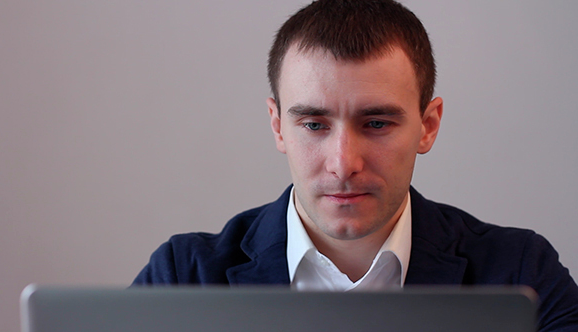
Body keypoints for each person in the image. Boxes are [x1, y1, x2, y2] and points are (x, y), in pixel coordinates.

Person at [132, 0, 578, 330]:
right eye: (313, 124)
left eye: (377, 122)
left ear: (428, 125)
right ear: (278, 126)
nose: (344, 163)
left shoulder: (521, 274)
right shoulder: (184, 276)